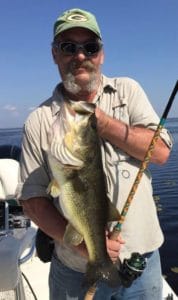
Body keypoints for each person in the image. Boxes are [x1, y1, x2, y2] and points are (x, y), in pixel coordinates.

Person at [17, 8, 173, 300]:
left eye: (90, 47)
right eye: (68, 47)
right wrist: (86, 247)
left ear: (101, 54)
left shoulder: (129, 91)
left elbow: (161, 152)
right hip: (74, 269)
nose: (80, 55)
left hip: (142, 263)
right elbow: (33, 201)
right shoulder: (39, 120)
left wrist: (103, 123)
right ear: (54, 54)